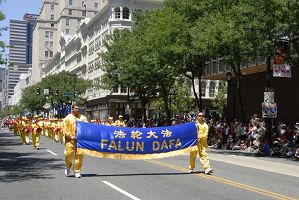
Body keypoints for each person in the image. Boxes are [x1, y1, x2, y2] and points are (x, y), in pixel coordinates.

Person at [63, 103, 88, 178]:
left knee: (79, 156)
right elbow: (65, 129)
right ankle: (68, 165)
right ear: (72, 109)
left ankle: (77, 171)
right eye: (76, 108)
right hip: (70, 140)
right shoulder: (68, 118)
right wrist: (71, 136)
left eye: (78, 108)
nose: (77, 110)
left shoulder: (83, 118)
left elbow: (87, 127)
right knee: (69, 154)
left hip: (80, 140)